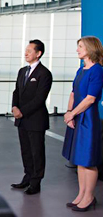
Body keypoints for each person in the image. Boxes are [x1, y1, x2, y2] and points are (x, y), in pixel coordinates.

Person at [62, 36, 103, 212]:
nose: (77, 49)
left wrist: (72, 113)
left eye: (80, 46)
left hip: (88, 120)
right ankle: (81, 194)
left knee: (88, 160)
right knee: (79, 159)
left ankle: (89, 197)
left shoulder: (98, 70)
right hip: (77, 117)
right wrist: (69, 113)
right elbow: (73, 93)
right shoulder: (81, 70)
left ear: (90, 48)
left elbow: (90, 99)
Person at [11, 39, 52, 195]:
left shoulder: (44, 73)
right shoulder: (22, 71)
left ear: (38, 53)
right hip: (21, 119)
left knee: (37, 152)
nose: (26, 53)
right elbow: (16, 91)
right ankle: (27, 177)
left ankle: (36, 182)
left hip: (36, 119)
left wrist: (22, 111)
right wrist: (14, 107)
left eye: (29, 51)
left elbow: (39, 98)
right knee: (26, 151)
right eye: (25, 50)